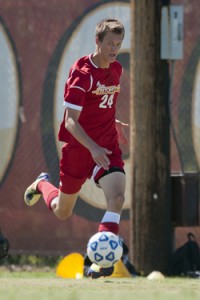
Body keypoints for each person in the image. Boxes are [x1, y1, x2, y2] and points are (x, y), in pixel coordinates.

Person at [24, 18, 128, 278]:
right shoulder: (82, 73)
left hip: (105, 146)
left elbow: (101, 105)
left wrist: (112, 122)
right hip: (79, 148)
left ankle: (101, 262)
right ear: (98, 42)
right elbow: (70, 121)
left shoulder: (117, 69)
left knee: (116, 198)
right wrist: (92, 148)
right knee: (62, 211)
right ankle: (42, 184)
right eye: (110, 43)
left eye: (118, 44)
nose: (114, 49)